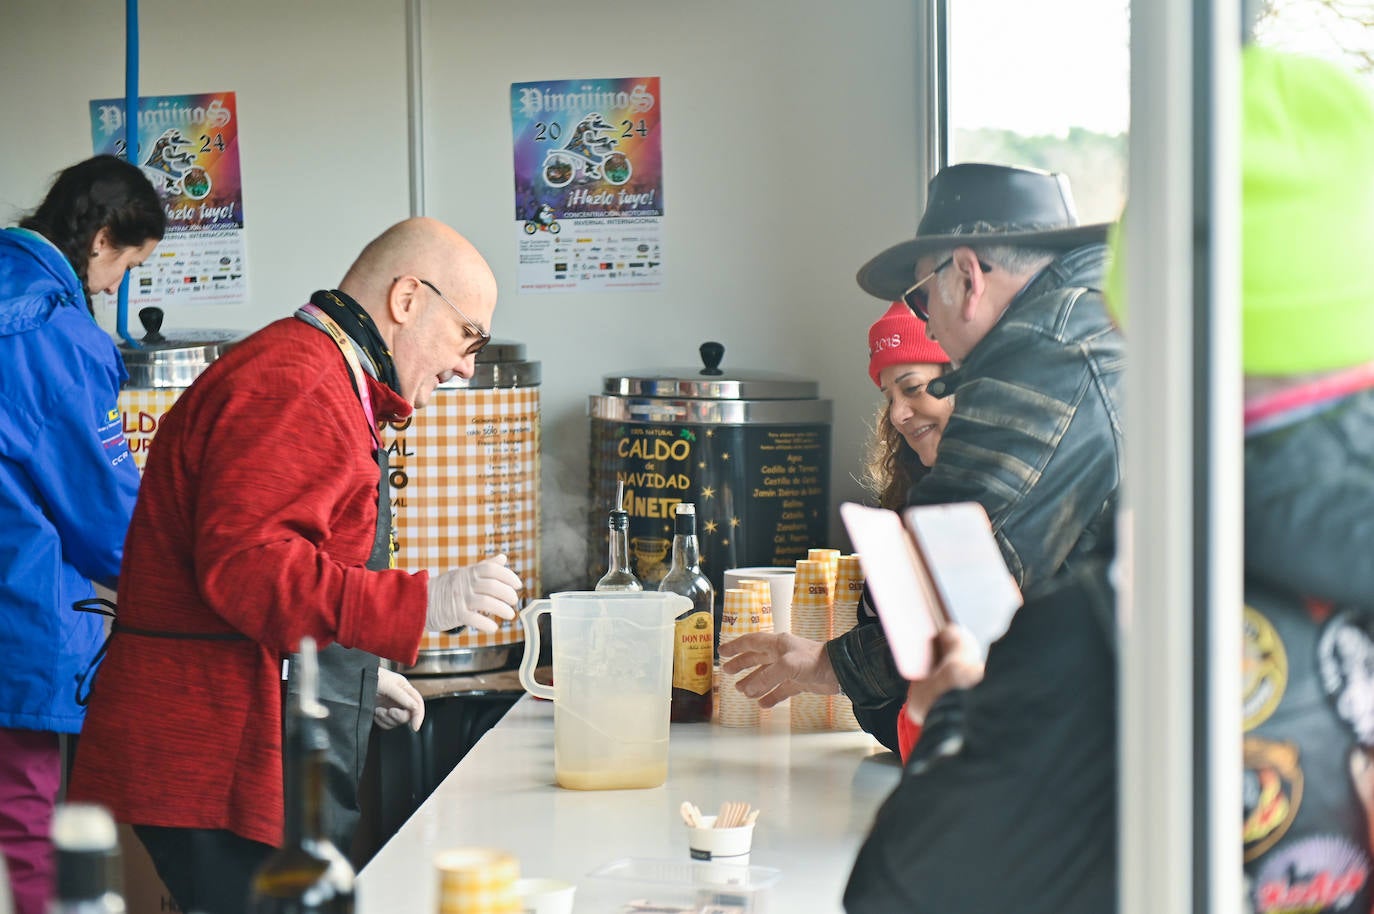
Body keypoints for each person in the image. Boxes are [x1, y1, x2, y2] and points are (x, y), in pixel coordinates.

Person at [67, 217, 524, 914]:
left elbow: (293, 561)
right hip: (218, 754)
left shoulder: (322, 372)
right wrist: (420, 602)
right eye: (469, 336)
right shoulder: (300, 379)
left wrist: (353, 669)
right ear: (407, 299)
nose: (466, 364)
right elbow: (250, 569)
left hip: (243, 732)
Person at [721, 163, 1124, 753]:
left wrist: (831, 666)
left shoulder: (1042, 352)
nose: (925, 317)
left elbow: (944, 578)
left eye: (920, 294)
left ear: (966, 274)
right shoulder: (1101, 320)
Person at [0, 155, 163, 914]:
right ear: (101, 240)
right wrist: (179, 568)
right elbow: (103, 508)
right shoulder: (51, 332)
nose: (114, 286)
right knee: (27, 819)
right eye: (127, 265)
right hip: (15, 608)